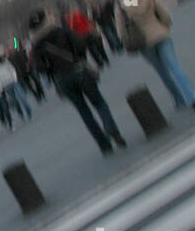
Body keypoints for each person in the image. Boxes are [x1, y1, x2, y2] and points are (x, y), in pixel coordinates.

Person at [29, 10, 127, 155]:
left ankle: (104, 145)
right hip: (78, 70)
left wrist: (52, 68)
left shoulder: (36, 46)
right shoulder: (61, 30)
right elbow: (80, 45)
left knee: (84, 112)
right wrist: (77, 56)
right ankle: (110, 128)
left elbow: (39, 68)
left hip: (62, 79)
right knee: (99, 103)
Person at [113, 0, 195, 110]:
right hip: (160, 34)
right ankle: (192, 96)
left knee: (162, 72)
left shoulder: (121, 7)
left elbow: (121, 32)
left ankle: (179, 100)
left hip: (144, 43)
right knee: (175, 66)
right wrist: (165, 27)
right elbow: (164, 14)